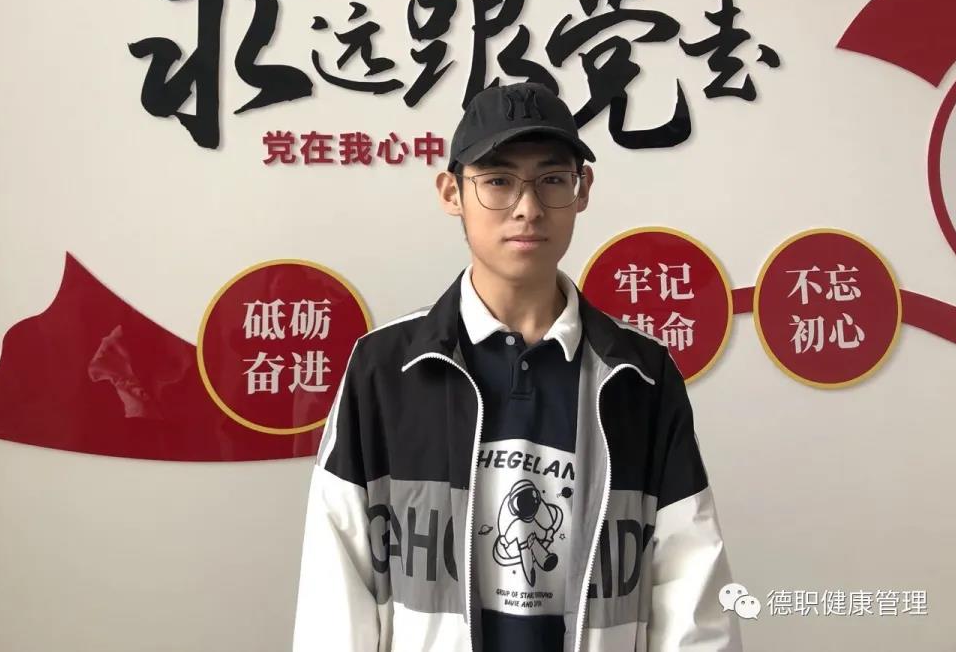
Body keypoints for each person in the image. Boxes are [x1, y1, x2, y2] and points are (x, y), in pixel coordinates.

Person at [293, 81, 742, 652]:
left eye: (552, 180)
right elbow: (336, 590)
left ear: (582, 190)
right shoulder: (385, 370)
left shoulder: (639, 376)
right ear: (451, 192)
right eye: (499, 181)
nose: (528, 208)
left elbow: (691, 587)